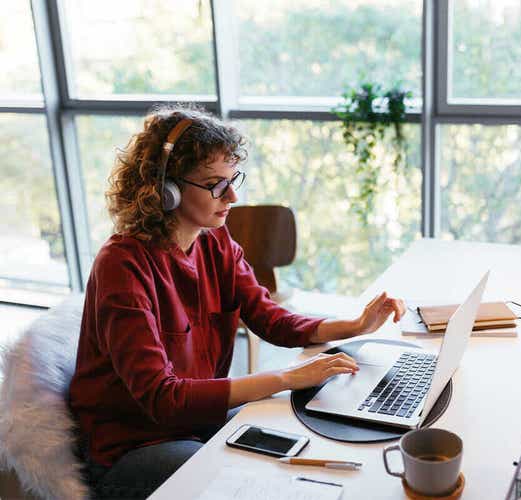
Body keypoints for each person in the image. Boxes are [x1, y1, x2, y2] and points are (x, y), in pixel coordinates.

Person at [69, 104, 406, 498]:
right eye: (215, 184)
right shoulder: (122, 267)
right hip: (132, 447)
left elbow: (269, 317)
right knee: (234, 475)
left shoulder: (215, 241)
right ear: (166, 190)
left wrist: (354, 326)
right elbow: (163, 398)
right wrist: (283, 379)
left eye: (232, 180)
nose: (231, 196)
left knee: (299, 431)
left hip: (192, 423)